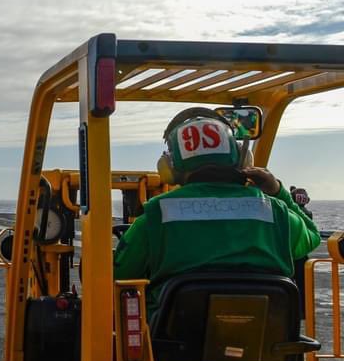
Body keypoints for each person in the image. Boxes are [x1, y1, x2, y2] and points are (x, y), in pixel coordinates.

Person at [114, 107, 321, 316]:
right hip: (264, 343)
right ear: (242, 158)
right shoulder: (276, 211)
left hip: (173, 345)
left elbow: (120, 273)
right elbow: (311, 236)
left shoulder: (156, 215)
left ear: (169, 166)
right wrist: (278, 191)